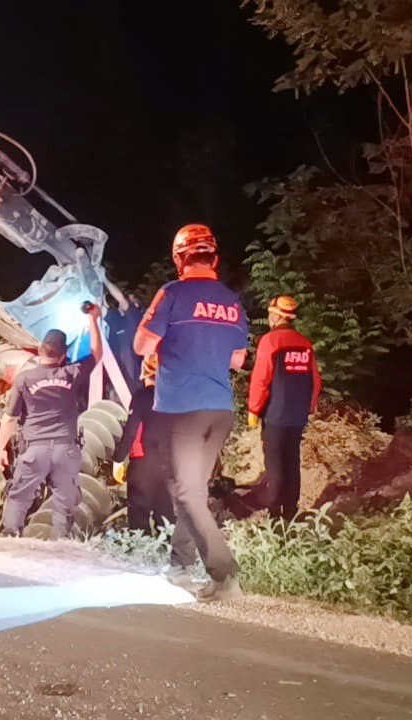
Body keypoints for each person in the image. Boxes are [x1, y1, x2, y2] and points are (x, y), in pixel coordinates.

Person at [134, 223, 249, 602]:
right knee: (193, 490)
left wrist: (171, 342)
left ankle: (224, 574)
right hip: (219, 410)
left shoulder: (172, 293)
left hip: (182, 408)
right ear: (213, 256)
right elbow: (237, 360)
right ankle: (181, 566)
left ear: (180, 258)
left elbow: (141, 345)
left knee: (185, 491)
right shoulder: (232, 300)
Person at [0, 304, 104, 538]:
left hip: (35, 450)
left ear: (40, 351)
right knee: (64, 502)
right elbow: (97, 354)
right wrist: (94, 320)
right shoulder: (71, 374)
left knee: (19, 496)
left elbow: (10, 418)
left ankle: (10, 537)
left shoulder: (24, 379)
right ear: (63, 354)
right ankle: (60, 546)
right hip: (65, 449)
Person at [246, 295, 323, 520]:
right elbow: (316, 381)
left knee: (275, 465)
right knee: (292, 461)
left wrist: (254, 410)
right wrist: (310, 407)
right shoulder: (305, 343)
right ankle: (291, 513)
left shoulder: (270, 341)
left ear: (275, 316)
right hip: (297, 415)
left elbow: (261, 379)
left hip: (275, 415)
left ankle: (274, 516)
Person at [112, 354, 175, 533]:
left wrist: (118, 460)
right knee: (165, 512)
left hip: (143, 462)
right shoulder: (173, 397)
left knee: (139, 514)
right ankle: (170, 552)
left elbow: (132, 430)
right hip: (167, 463)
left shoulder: (142, 397)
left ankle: (141, 551)